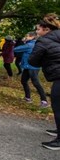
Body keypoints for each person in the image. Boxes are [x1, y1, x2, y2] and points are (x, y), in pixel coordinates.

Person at [29, 13, 60, 150]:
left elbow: (33, 60)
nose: (37, 32)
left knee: (58, 107)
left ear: (46, 29)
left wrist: (44, 61)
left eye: (38, 29)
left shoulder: (43, 41)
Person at [14, 32, 48, 108]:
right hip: (28, 66)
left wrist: (22, 42)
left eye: (27, 36)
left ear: (32, 37)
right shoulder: (36, 44)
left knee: (36, 83)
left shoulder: (29, 45)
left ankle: (44, 101)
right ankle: (28, 98)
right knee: (24, 81)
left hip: (32, 67)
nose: (25, 37)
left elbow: (16, 49)